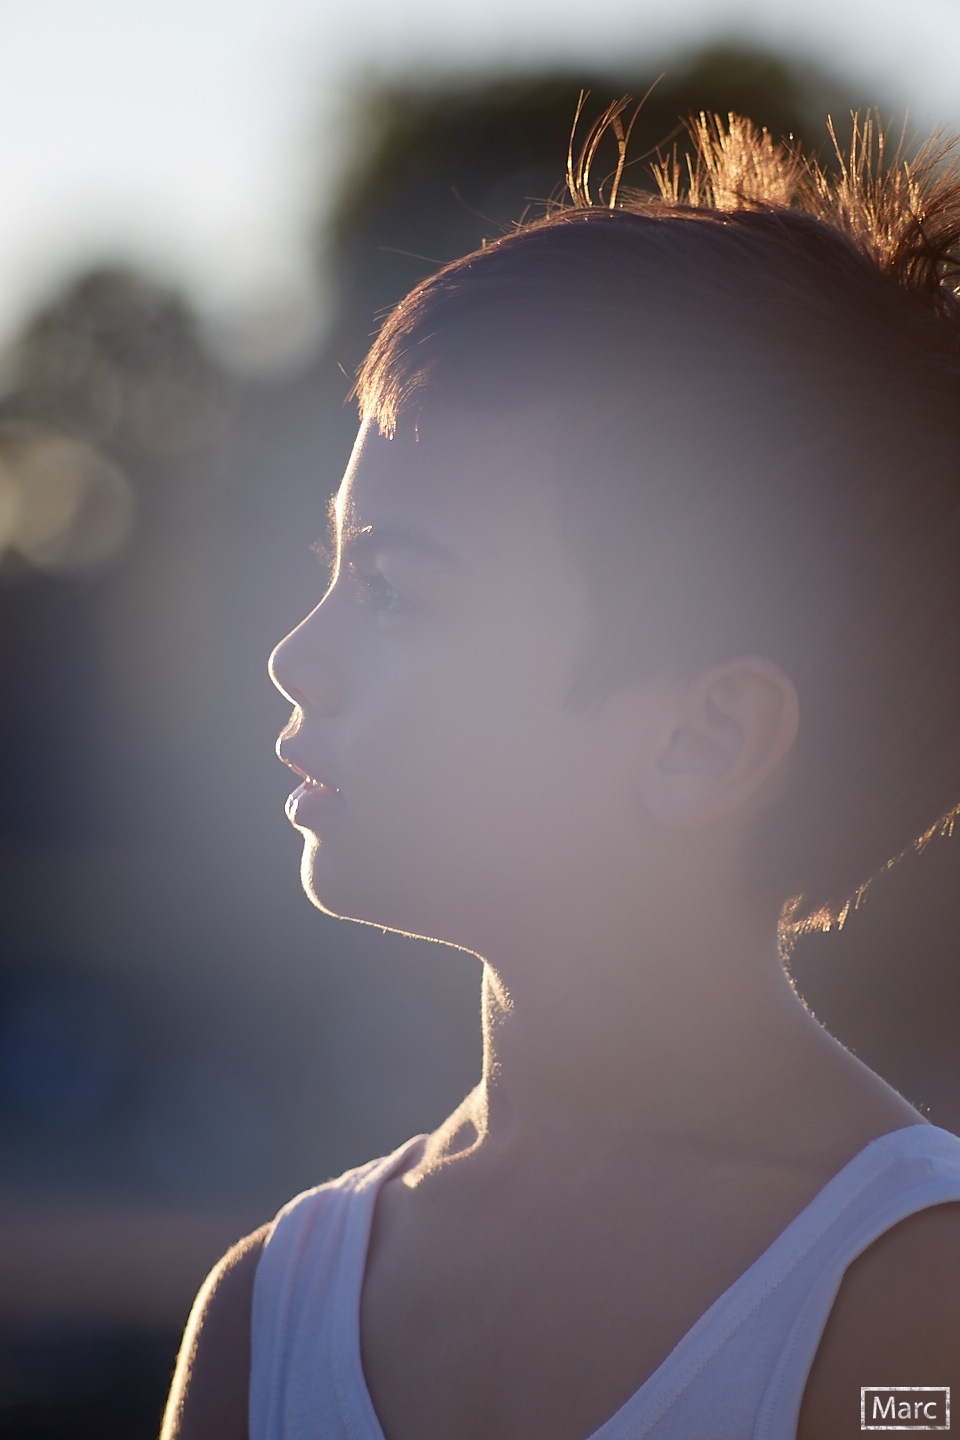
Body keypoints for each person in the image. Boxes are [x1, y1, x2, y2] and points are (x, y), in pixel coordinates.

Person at [161, 111, 960, 1440]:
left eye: (395, 589)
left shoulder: (915, 1312)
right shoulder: (271, 1310)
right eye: (331, 568)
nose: (296, 658)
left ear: (702, 739)